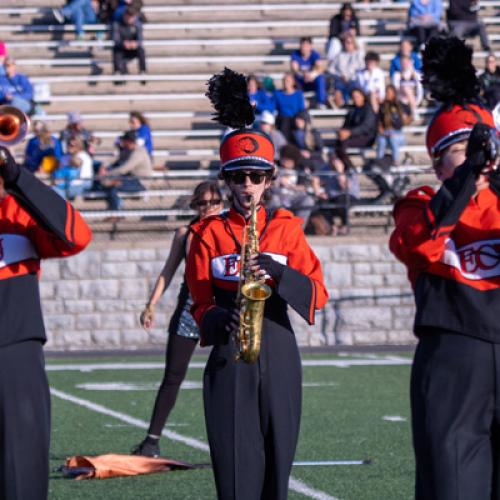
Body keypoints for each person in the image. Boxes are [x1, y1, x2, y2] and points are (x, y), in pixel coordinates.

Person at [186, 68, 328, 500]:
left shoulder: (286, 228)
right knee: (233, 467)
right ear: (226, 181)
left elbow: (319, 294)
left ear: (269, 180)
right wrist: (217, 320)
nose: (247, 186)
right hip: (232, 349)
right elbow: (198, 303)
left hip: (280, 345)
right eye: (237, 177)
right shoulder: (205, 234)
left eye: (255, 176)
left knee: (278, 459)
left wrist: (279, 271)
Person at [389, 36, 500, 500]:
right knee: (452, 487)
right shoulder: (418, 204)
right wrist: (465, 180)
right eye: (462, 147)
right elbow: (419, 247)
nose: (480, 156)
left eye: (485, 145)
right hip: (456, 355)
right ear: (438, 161)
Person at [0, 145, 92, 499]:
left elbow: (76, 236)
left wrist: (19, 178)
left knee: (21, 470)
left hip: (15, 351)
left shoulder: (17, 214)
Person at [132, 181, 224, 457]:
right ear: (194, 205)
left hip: (222, 312)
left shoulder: (232, 231)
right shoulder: (185, 234)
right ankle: (151, 441)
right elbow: (169, 269)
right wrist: (151, 304)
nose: (208, 208)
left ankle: (230, 441)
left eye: (214, 202)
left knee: (225, 378)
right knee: (172, 376)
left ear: (223, 202)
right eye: (202, 203)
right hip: (189, 311)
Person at [98, 130, 152, 210]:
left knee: (113, 186)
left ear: (128, 141)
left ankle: (115, 213)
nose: (122, 142)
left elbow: (124, 169)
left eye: (123, 141)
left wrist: (107, 174)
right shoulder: (128, 150)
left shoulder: (138, 152)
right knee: (109, 185)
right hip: (130, 179)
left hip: (140, 182)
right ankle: (114, 211)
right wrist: (103, 166)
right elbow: (114, 159)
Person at [312, 149, 360, 235]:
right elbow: (315, 179)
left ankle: (345, 225)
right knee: (321, 202)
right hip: (332, 196)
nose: (332, 161)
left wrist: (340, 172)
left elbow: (345, 187)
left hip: (349, 196)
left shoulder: (349, 170)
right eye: (330, 158)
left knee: (341, 200)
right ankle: (332, 226)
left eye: (334, 158)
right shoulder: (326, 168)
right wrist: (318, 192)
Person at [269, 144, 316, 227]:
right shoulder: (276, 168)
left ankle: (298, 229)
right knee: (274, 200)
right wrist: (277, 178)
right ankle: (278, 228)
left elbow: (303, 187)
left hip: (293, 196)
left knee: (308, 200)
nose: (285, 162)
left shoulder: (299, 170)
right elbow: (271, 184)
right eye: (284, 159)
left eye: (288, 160)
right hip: (279, 195)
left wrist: (289, 185)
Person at [335, 86, 377, 170]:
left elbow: (366, 127)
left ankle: (350, 168)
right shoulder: (352, 110)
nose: (355, 99)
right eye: (353, 97)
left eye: (357, 96)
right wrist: (342, 132)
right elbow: (346, 124)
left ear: (363, 97)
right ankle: (348, 167)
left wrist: (350, 132)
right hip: (353, 135)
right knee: (338, 143)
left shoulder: (368, 109)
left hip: (366, 137)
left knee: (342, 143)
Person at [375, 84, 413, 165]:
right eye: (386, 92)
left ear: (394, 93)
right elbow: (378, 121)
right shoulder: (382, 106)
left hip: (398, 134)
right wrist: (380, 128)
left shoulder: (400, 105)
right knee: (381, 140)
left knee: (393, 138)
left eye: (389, 92)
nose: (387, 94)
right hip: (386, 134)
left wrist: (407, 119)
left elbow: (409, 116)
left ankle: (396, 162)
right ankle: (379, 163)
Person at [327, 33, 365, 108]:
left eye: (349, 43)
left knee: (355, 87)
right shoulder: (339, 55)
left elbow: (362, 68)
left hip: (353, 80)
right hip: (340, 80)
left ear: (354, 44)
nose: (347, 45)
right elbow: (331, 69)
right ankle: (338, 104)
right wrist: (341, 75)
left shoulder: (359, 55)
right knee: (337, 89)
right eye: (345, 43)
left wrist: (350, 76)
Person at [290, 36, 327, 109]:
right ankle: (298, 103)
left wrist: (312, 75)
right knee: (294, 78)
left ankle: (321, 102)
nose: (304, 47)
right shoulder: (295, 54)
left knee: (320, 78)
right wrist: (304, 75)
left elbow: (319, 68)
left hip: (312, 81)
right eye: (302, 45)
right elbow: (295, 69)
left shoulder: (315, 54)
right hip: (301, 81)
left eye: (306, 45)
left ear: (310, 46)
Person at [112, 6, 146, 83]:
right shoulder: (117, 24)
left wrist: (136, 43)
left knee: (141, 50)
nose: (130, 19)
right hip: (122, 49)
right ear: (125, 15)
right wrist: (123, 44)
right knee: (116, 49)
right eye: (129, 16)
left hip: (133, 49)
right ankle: (117, 72)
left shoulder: (137, 24)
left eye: (132, 17)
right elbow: (116, 39)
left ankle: (143, 71)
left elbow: (140, 38)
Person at [273, 72, 306, 141]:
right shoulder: (278, 94)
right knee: (284, 122)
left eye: (288, 81)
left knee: (298, 125)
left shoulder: (298, 94)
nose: (285, 82)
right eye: (284, 80)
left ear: (293, 82)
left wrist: (300, 118)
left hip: (296, 119)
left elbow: (302, 109)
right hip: (282, 120)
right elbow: (272, 106)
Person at [392, 54, 424, 119]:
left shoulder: (416, 75)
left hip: (414, 99)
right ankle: (413, 112)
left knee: (408, 89)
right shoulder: (397, 75)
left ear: (410, 62)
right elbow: (396, 90)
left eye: (406, 62)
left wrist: (417, 101)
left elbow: (420, 89)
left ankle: (411, 111)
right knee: (406, 88)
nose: (404, 64)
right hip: (402, 99)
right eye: (403, 63)